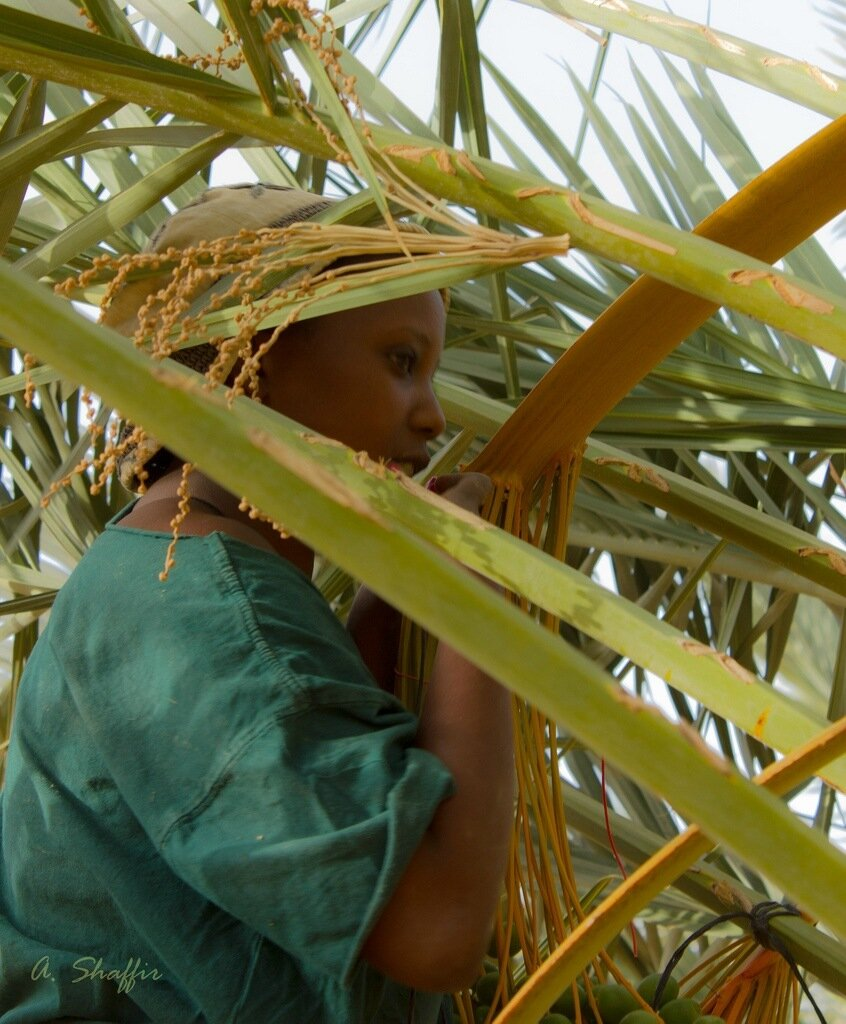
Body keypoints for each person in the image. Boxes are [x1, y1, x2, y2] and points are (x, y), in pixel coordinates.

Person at [0, 185, 515, 1023]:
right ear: (256, 355)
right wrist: (472, 592)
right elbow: (437, 929)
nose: (432, 415)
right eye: (400, 361)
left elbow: (316, 779)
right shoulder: (198, 605)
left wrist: (392, 602)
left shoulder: (178, 570)